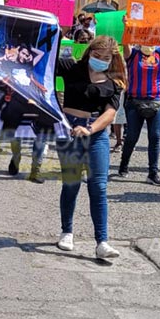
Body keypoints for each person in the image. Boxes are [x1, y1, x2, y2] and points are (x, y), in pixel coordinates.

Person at [56, 35, 124, 260]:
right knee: (72, 184)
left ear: (112, 58)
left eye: (106, 57)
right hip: (69, 132)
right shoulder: (71, 67)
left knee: (99, 187)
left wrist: (91, 129)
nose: (100, 60)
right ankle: (67, 232)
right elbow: (43, 63)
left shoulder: (114, 82)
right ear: (89, 52)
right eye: (97, 55)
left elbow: (110, 113)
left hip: (96, 135)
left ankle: (102, 241)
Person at [116, 44, 160, 186]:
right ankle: (124, 164)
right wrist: (127, 25)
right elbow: (126, 46)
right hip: (135, 101)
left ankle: (153, 173)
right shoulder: (133, 53)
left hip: (157, 101)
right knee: (131, 137)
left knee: (155, 136)